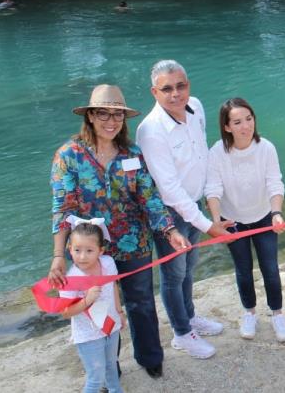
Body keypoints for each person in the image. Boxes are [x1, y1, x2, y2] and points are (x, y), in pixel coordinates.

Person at [49, 84, 184, 379]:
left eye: (117, 116)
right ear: (90, 117)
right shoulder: (68, 156)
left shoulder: (132, 152)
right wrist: (59, 255)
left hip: (135, 243)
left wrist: (169, 229)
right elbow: (62, 209)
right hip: (90, 250)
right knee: (98, 304)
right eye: (103, 114)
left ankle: (150, 357)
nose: (111, 122)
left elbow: (149, 197)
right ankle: (110, 364)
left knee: (142, 302)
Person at [136, 60, 232, 359]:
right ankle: (181, 333)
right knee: (173, 274)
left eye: (181, 86)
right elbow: (168, 188)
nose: (176, 94)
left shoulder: (197, 107)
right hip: (171, 214)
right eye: (167, 89)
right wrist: (207, 224)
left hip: (195, 204)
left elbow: (202, 155)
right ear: (155, 92)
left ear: (188, 84)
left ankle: (189, 317)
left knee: (190, 268)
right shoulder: (151, 131)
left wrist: (209, 204)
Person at [205, 98, 285, 342]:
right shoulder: (217, 152)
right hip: (232, 221)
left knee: (270, 268)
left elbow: (275, 182)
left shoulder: (266, 148)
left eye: (249, 119)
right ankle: (249, 312)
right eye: (237, 122)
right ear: (226, 127)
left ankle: (277, 313)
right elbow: (213, 189)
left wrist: (276, 213)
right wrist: (215, 222)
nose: (246, 126)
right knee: (243, 269)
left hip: (264, 215)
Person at [59, 222, 125, 393]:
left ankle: (116, 390)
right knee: (95, 376)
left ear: (100, 250)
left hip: (111, 325)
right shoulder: (70, 280)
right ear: (69, 249)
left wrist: (119, 312)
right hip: (88, 334)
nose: (82, 257)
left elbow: (113, 286)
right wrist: (87, 300)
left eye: (89, 250)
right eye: (77, 250)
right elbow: (65, 312)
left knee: (112, 364)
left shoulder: (108, 263)